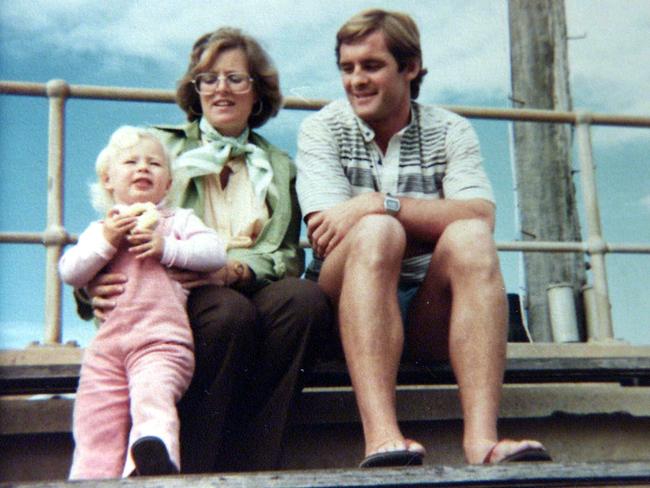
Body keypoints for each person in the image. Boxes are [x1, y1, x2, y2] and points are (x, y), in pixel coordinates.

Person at [295, 8, 552, 467]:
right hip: (343, 309)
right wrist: (412, 222)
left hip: (424, 313)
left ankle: (482, 442)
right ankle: (381, 437)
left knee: (468, 237)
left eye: (371, 66)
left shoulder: (450, 129)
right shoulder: (323, 129)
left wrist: (380, 202)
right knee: (376, 234)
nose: (356, 80)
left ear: (409, 67)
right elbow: (328, 234)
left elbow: (479, 215)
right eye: (347, 68)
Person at [79, 27, 332, 472]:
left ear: (258, 93)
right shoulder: (160, 147)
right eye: (209, 78)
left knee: (304, 301)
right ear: (195, 90)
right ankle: (193, 468)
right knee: (227, 313)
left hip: (246, 278)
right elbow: (108, 223)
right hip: (177, 290)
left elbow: (287, 256)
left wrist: (236, 270)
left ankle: (258, 468)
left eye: (236, 78)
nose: (221, 89)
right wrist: (88, 290)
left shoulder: (279, 166)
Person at [61, 126, 227, 479]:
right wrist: (107, 240)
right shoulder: (101, 229)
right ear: (108, 179)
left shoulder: (176, 221)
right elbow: (70, 272)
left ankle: (150, 465)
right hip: (107, 349)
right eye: (131, 162)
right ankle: (89, 478)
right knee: (95, 418)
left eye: (154, 163)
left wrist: (167, 247)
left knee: (153, 400)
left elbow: (215, 254)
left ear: (167, 183)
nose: (143, 168)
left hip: (161, 343)